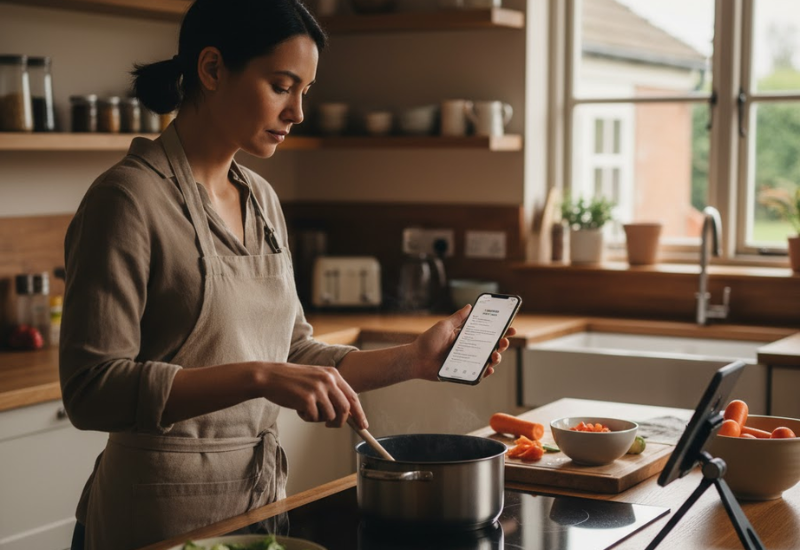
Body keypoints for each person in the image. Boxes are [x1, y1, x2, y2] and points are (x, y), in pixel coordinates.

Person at [59, 1, 515, 549]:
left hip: (258, 510)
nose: (298, 111)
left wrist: (414, 359)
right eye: (282, 85)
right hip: (158, 517)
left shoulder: (261, 199)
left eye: (306, 90)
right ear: (211, 69)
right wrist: (260, 377)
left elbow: (293, 351)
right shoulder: (127, 199)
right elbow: (90, 390)